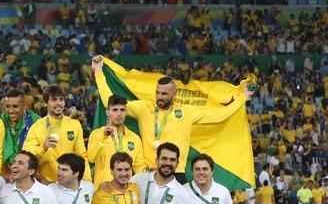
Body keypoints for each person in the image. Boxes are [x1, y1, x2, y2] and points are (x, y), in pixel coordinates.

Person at [91, 56, 251, 173]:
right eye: (158, 93)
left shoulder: (187, 112)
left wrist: (242, 98)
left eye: (164, 94)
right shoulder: (143, 108)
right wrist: (98, 72)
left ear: (174, 94)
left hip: (176, 172)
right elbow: (110, 101)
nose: (160, 97)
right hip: (148, 172)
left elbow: (219, 116)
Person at [23, 86, 85, 184]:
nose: (58, 103)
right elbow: (26, 157)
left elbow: (82, 156)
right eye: (54, 100)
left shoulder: (74, 125)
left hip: (70, 184)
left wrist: (87, 181)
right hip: (46, 184)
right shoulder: (36, 127)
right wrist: (43, 148)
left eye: (61, 99)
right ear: (46, 102)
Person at [85, 94, 146, 187]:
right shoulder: (97, 134)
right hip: (103, 191)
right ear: (107, 112)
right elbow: (91, 158)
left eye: (122, 110)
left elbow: (139, 168)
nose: (119, 114)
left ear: (126, 112)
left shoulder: (134, 138)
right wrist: (104, 137)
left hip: (125, 192)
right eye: (115, 110)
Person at [0, 88, 38, 170]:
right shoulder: (0, 121)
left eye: (15, 106)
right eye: (7, 106)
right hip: (5, 171)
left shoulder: (36, 121)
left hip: (28, 169)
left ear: (24, 106)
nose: (11, 111)